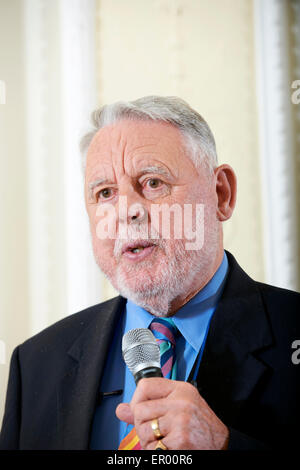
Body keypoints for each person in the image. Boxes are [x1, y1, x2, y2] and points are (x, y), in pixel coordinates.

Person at [0, 96, 299, 450]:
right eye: (106, 192)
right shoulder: (35, 364)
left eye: (153, 183)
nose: (127, 211)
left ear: (221, 194)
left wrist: (224, 445)